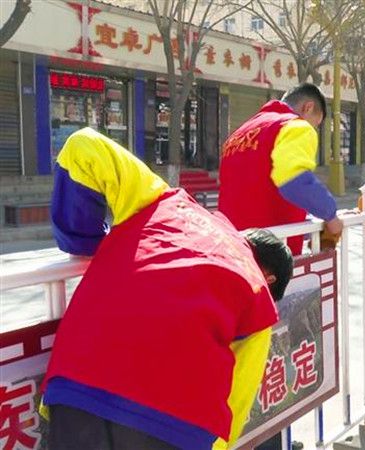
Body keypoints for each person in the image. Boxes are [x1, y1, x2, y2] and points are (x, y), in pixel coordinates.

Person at [43, 128, 294, 450]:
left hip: (76, 392)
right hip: (173, 428)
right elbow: (235, 404)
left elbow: (84, 145)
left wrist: (84, 243)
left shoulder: (164, 202)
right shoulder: (257, 294)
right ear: (269, 277)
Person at [218, 83, 343, 255]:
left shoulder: (238, 135)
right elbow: (295, 181)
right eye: (315, 124)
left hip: (233, 248)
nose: (313, 129)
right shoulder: (295, 126)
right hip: (272, 253)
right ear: (308, 107)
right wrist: (331, 215)